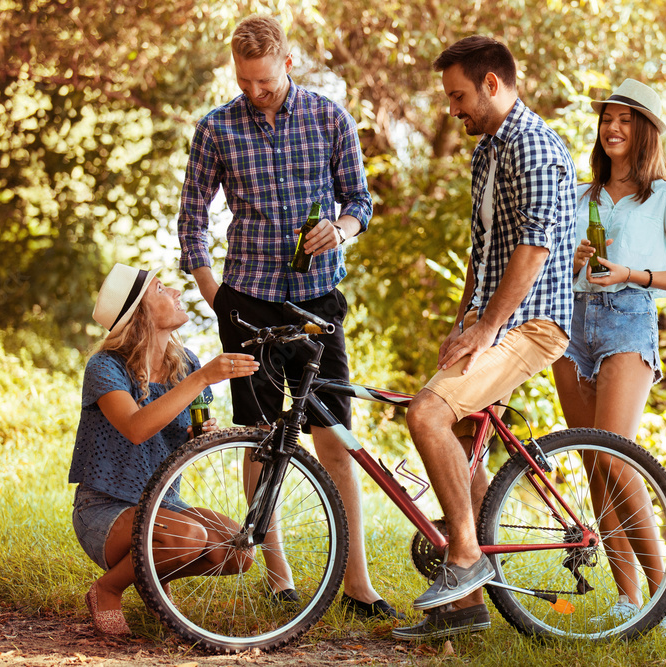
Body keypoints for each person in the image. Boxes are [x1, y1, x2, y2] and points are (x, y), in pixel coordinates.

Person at [175, 16, 400, 619]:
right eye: (245, 82)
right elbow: (191, 221)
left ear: (289, 63)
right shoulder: (216, 128)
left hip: (317, 304)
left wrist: (342, 229)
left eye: (266, 82)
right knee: (260, 436)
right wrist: (214, 294)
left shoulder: (330, 118)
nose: (255, 93)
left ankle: (359, 586)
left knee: (333, 437)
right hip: (245, 302)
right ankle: (280, 578)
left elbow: (360, 201)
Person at [394, 36, 577, 640]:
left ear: (492, 83)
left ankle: (467, 558)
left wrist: (488, 327)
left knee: (426, 414)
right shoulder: (487, 153)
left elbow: (534, 248)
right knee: (463, 435)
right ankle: (465, 610)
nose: (453, 110)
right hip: (493, 320)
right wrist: (462, 323)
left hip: (533, 322)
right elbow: (484, 250)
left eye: (459, 96)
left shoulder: (536, 147)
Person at [551, 78, 666, 639]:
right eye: (606, 119)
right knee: (592, 460)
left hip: (628, 316)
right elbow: (550, 271)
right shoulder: (579, 195)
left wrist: (632, 274)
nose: (612, 127)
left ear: (645, 130)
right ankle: (627, 599)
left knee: (617, 457)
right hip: (571, 324)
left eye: (625, 119)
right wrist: (574, 260)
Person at [69, 263, 260, 636]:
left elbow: (180, 436)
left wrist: (197, 434)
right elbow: (136, 428)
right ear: (139, 312)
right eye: (160, 288)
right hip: (107, 510)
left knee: (239, 550)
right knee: (189, 537)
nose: (174, 291)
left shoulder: (184, 362)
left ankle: (150, 576)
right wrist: (203, 377)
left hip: (164, 506)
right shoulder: (105, 367)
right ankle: (107, 589)